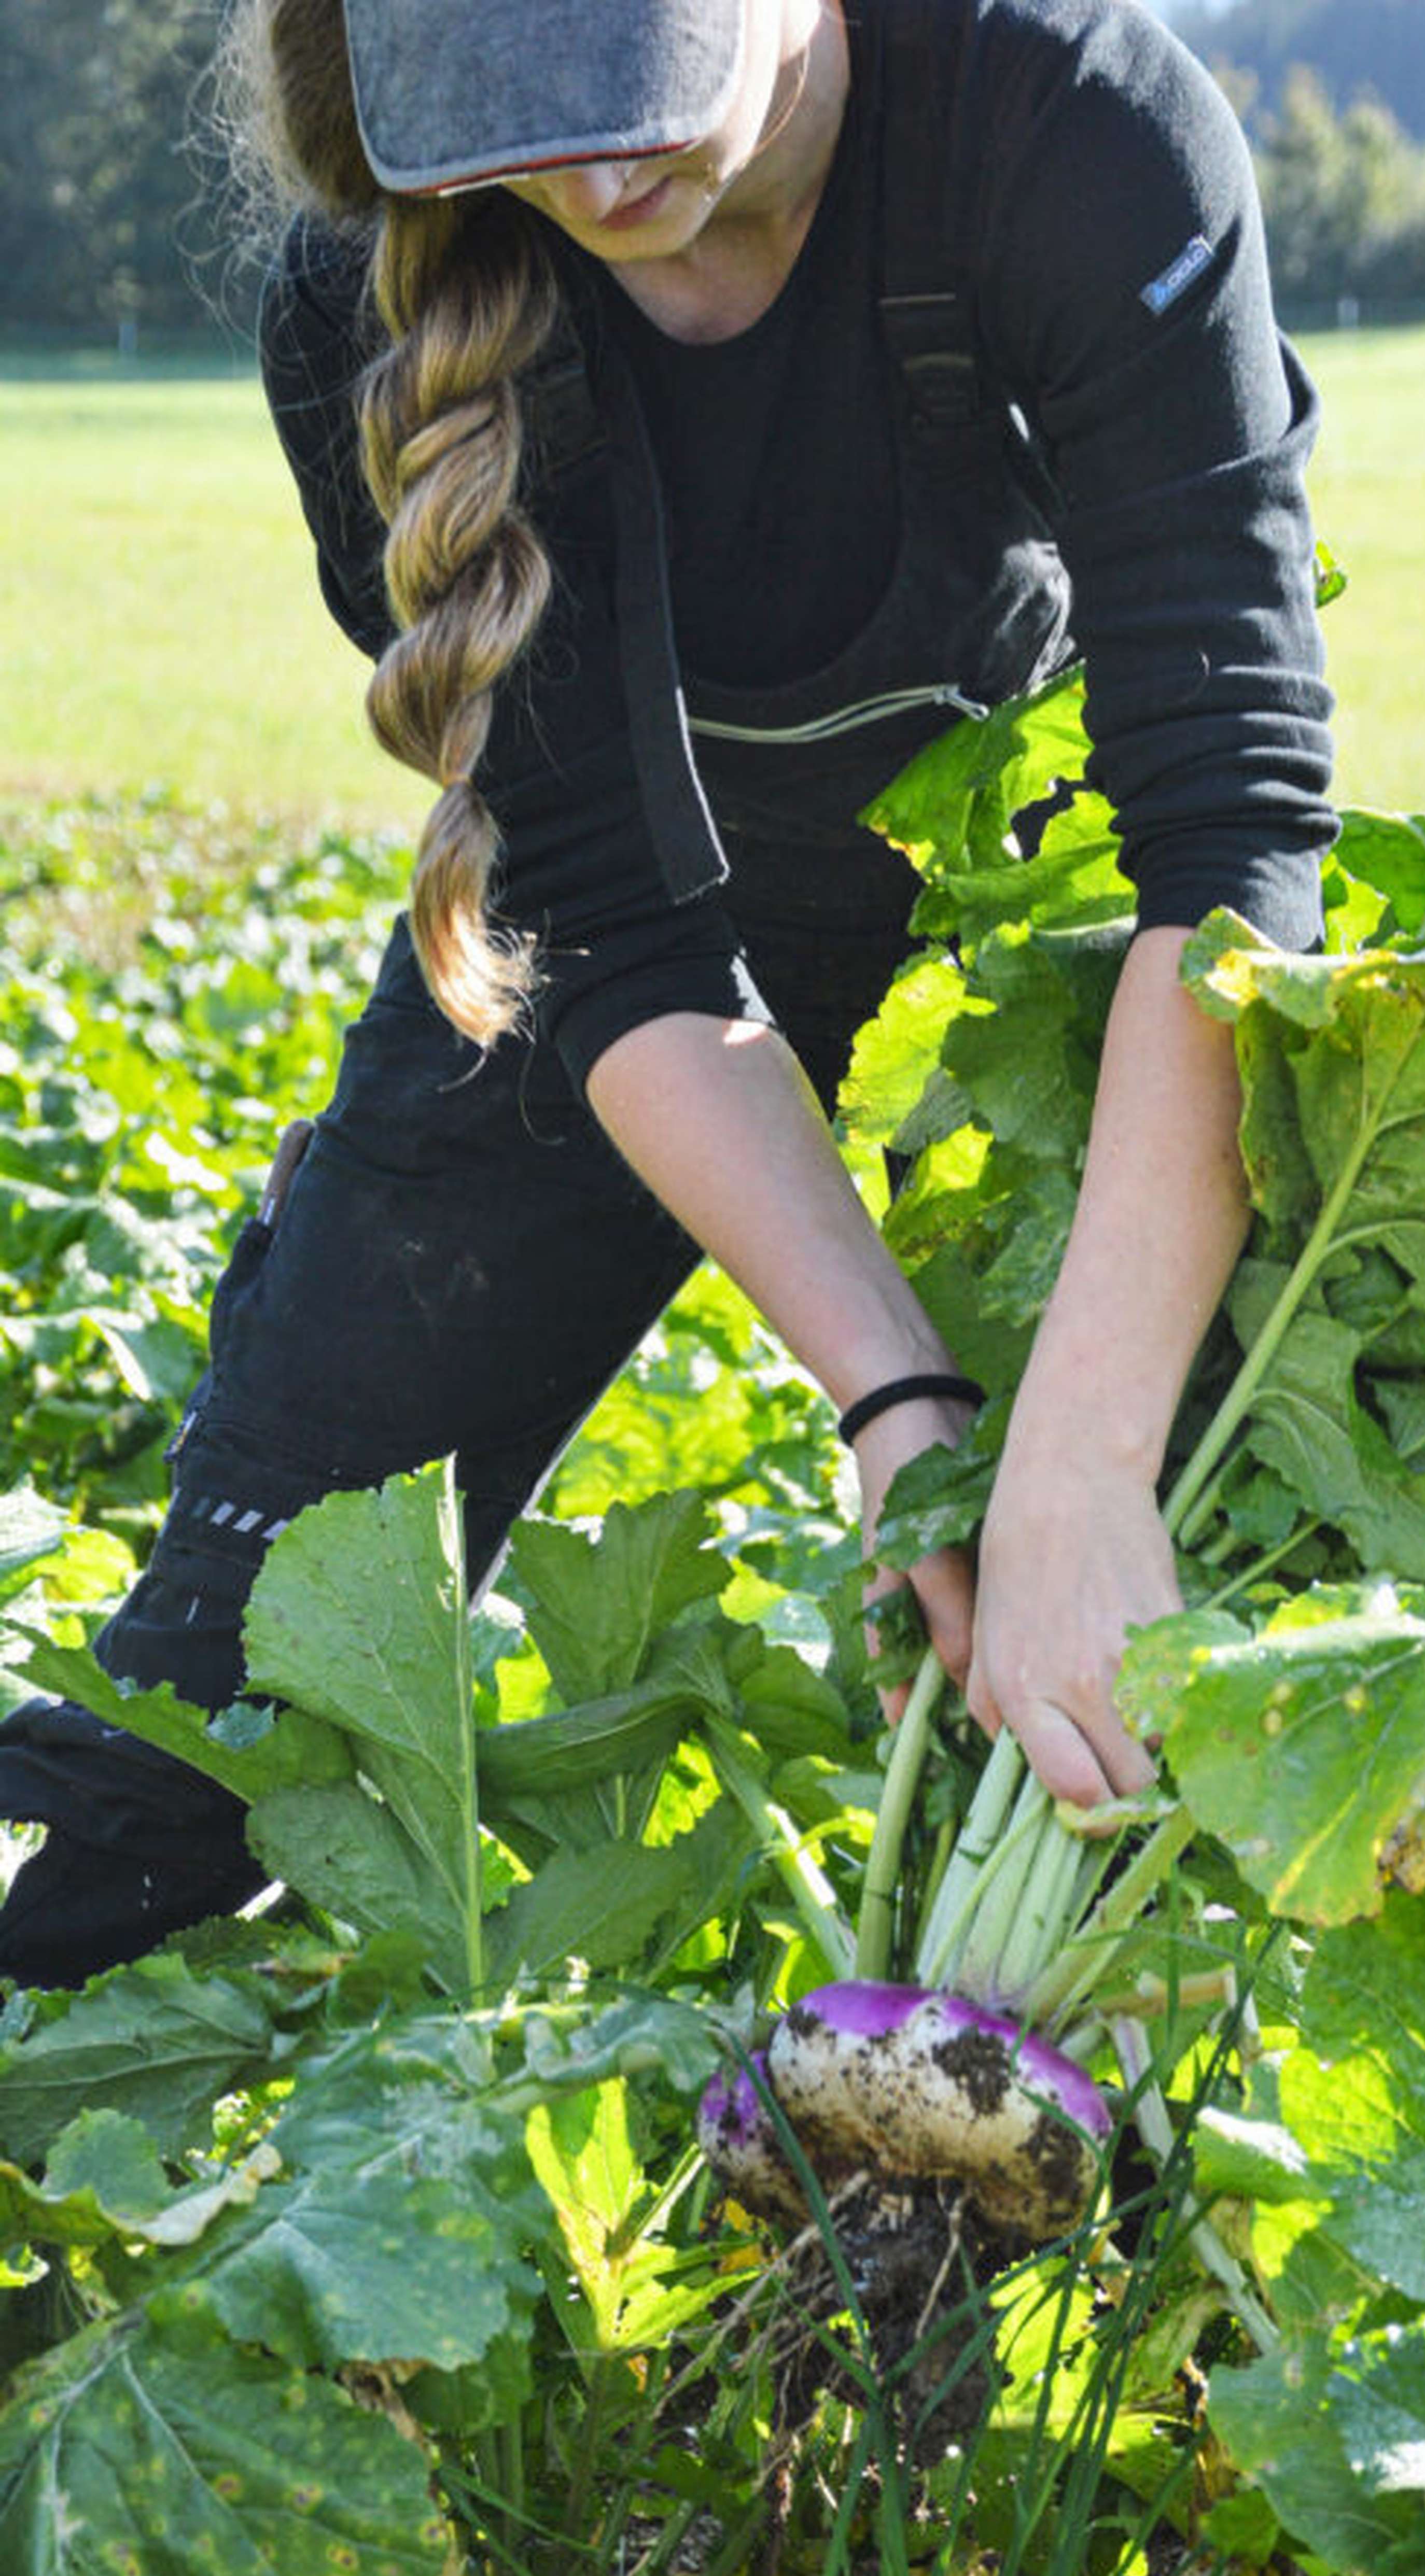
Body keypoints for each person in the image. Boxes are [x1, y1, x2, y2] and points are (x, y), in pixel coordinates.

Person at [0, 0, 1335, 1991]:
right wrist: (901, 1402)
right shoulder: (365, 292)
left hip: (1046, 940)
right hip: (603, 967)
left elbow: (1225, 835)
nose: (601, 177)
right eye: (514, 124)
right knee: (219, 1700)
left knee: (1196, 1584)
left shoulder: (1071, 126)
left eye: (637, 89)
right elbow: (607, 916)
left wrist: (1070, 1460)